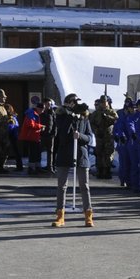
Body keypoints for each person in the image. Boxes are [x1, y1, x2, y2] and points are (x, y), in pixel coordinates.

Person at [49, 95, 95, 227]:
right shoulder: (61, 116)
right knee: (62, 186)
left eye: (77, 102)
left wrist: (79, 135)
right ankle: (60, 215)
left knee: (84, 186)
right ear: (67, 103)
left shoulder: (84, 118)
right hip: (64, 154)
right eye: (73, 102)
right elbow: (62, 135)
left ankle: (88, 215)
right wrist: (70, 116)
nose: (75, 104)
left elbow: (89, 138)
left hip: (80, 154)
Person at [89, 96, 118, 180]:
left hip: (109, 136)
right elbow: (92, 123)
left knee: (108, 154)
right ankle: (100, 170)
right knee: (99, 153)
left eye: (105, 102)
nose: (103, 104)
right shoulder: (96, 113)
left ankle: (107, 171)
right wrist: (96, 131)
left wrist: (107, 117)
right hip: (100, 136)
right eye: (102, 102)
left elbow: (116, 120)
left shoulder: (111, 112)